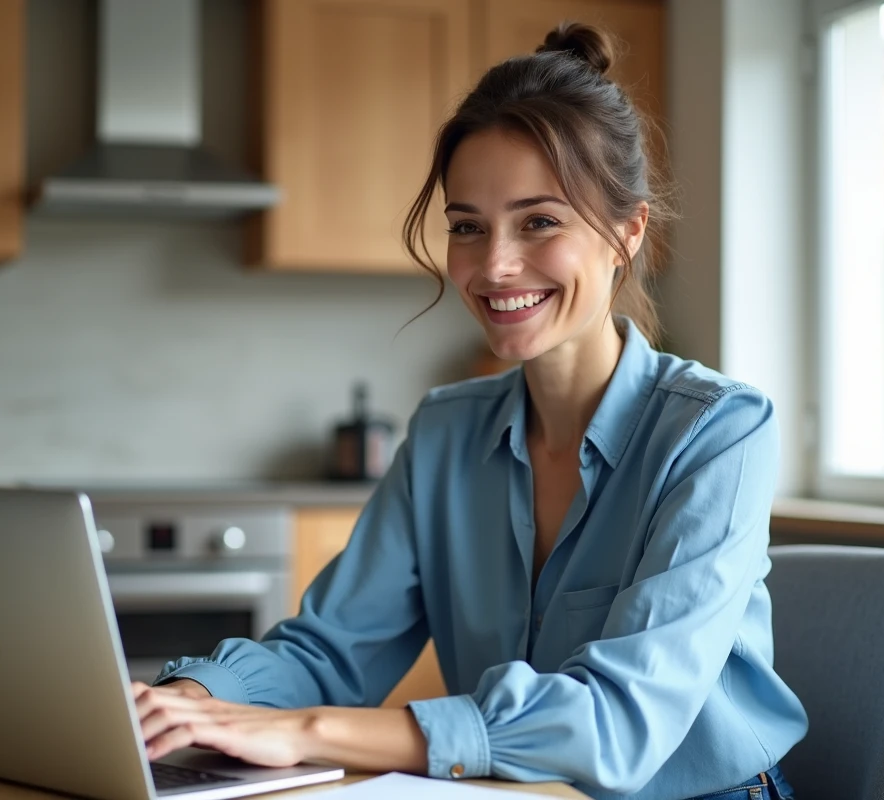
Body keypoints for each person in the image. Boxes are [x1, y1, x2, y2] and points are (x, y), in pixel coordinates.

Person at [130, 21, 807, 800]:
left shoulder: (720, 433)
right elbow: (331, 652)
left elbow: (619, 723)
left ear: (627, 233)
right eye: (467, 227)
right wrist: (189, 705)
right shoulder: (446, 433)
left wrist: (307, 730)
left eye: (540, 221)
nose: (494, 265)